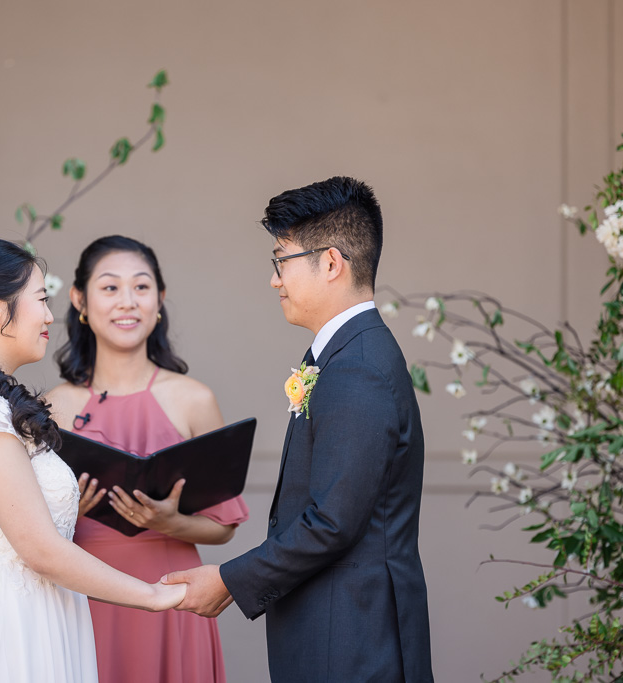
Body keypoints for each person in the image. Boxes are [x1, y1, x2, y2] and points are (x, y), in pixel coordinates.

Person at [163, 178, 434, 682]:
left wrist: (228, 580)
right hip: (342, 630)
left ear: (331, 263)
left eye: (280, 260)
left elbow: (333, 522)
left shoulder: (357, 367)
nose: (274, 279)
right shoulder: (351, 352)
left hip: (352, 641)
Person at [0, 238, 185, 683]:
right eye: (40, 299)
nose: (51, 315)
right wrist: (152, 595)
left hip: (36, 617)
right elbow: (41, 549)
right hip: (6, 634)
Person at [45, 235, 249, 683]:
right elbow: (28, 529)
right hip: (83, 598)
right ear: (80, 299)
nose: (128, 302)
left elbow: (225, 527)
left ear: (159, 301)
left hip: (173, 595)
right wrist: (66, 512)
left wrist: (169, 523)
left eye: (141, 287)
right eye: (110, 287)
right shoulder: (52, 408)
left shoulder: (194, 399)